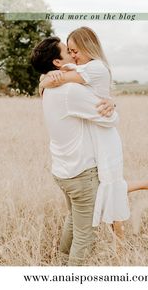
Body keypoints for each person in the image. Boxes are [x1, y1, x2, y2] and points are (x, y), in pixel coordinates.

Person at [39, 27, 148, 236]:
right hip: (95, 129)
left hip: (104, 133)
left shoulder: (97, 67)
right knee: (108, 188)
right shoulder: (82, 67)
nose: (73, 56)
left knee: (110, 188)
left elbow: (60, 79)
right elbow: (67, 77)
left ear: (87, 46)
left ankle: (119, 249)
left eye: (75, 50)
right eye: (70, 51)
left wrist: (45, 80)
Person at [31, 36, 119, 266]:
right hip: (80, 174)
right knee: (85, 235)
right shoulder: (69, 91)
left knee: (74, 219)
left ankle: (61, 264)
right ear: (58, 63)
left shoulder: (48, 89)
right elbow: (110, 120)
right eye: (67, 52)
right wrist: (111, 105)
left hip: (62, 170)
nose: (73, 55)